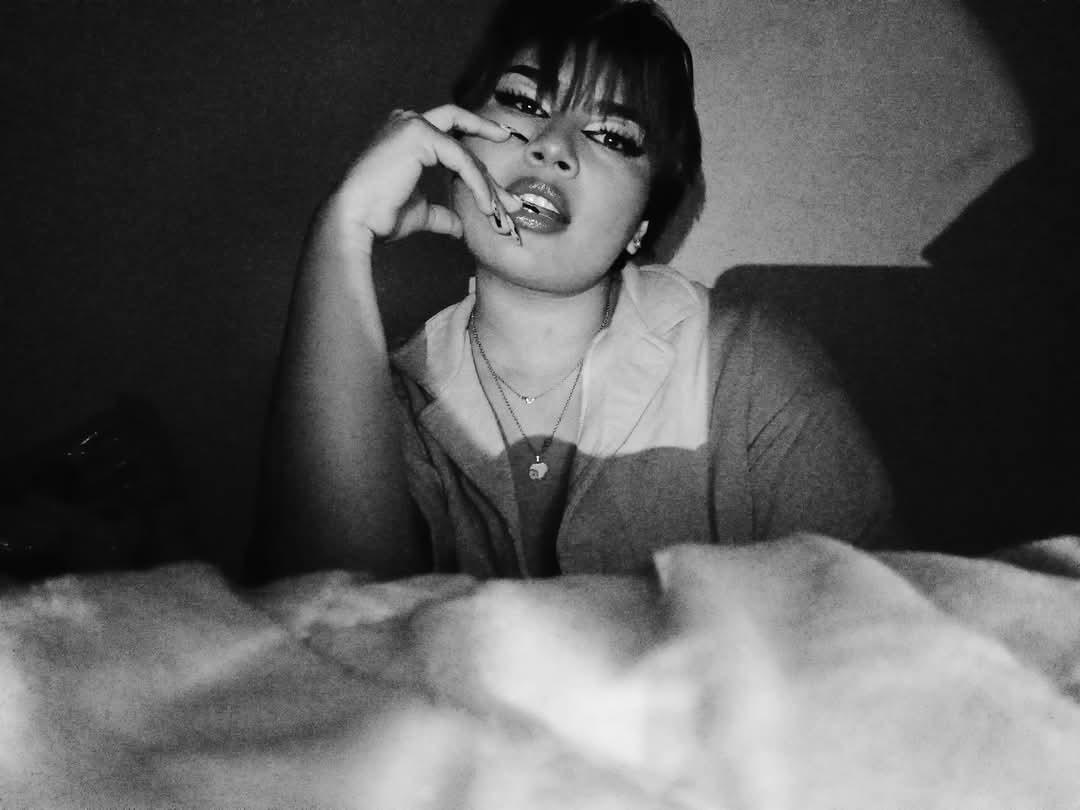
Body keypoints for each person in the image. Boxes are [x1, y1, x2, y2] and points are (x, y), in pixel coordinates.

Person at [252, 0, 895, 581]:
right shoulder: (377, 402)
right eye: (524, 103)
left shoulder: (750, 367)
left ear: (643, 224)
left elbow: (881, 629)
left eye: (612, 136)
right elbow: (325, 629)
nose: (552, 146)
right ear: (453, 142)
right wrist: (341, 231)